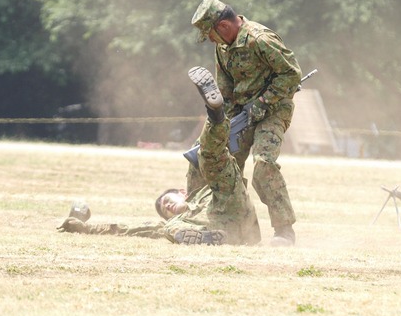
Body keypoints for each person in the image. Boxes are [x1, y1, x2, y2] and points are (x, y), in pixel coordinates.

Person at [58, 67, 261, 246]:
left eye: (166, 201)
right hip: (225, 231)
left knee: (203, 155)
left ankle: (215, 114)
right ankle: (211, 239)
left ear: (182, 192)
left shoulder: (202, 190)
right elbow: (128, 229)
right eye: (166, 211)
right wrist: (84, 228)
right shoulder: (179, 222)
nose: (167, 207)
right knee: (170, 229)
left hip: (230, 201)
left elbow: (211, 165)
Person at [188, 0, 302, 247]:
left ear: (224, 27)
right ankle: (219, 224)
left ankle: (284, 231)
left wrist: (262, 104)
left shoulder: (260, 39)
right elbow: (225, 92)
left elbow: (292, 74)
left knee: (263, 163)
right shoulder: (223, 47)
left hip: (272, 111)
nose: (210, 40)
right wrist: (223, 127)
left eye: (210, 34)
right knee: (214, 161)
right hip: (242, 113)